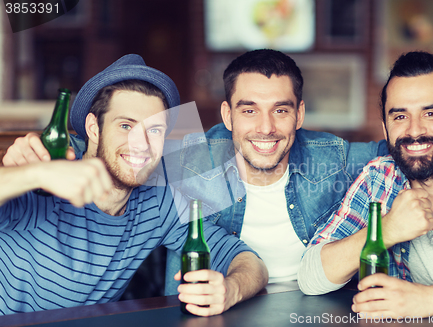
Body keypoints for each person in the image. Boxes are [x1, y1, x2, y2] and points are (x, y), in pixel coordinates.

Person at [4, 50, 433, 296]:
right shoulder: (191, 151)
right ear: (224, 114)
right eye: (248, 111)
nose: (265, 128)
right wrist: (35, 166)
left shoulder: (332, 157)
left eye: (281, 111)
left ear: (300, 115)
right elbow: (112, 148)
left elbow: (416, 146)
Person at [0, 54, 268, 316]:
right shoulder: (47, 182)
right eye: (126, 126)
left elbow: (247, 260)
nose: (141, 144)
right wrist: (34, 174)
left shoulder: (159, 202)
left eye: (154, 130)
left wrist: (230, 289)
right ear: (94, 129)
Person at [298, 51, 433, 317]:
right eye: (400, 116)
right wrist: (387, 229)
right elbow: (310, 277)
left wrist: (430, 300)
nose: (414, 131)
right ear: (385, 128)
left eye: (430, 113)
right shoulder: (379, 178)